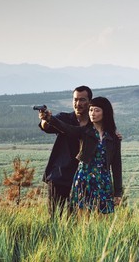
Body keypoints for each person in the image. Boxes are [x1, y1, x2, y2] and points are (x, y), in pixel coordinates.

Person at [42, 96, 122, 214]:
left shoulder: (113, 137)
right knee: (83, 220)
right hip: (84, 179)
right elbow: (66, 128)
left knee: (102, 220)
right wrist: (50, 118)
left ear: (105, 113)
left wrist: (118, 193)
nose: (92, 113)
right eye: (90, 110)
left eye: (97, 110)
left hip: (104, 182)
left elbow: (116, 165)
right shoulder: (84, 132)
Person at [38, 85, 92, 218]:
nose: (77, 103)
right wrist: (45, 119)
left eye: (82, 100)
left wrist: (114, 134)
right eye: (75, 99)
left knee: (75, 221)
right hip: (59, 177)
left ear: (90, 101)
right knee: (54, 219)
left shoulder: (94, 123)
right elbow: (47, 127)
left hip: (82, 179)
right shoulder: (64, 117)